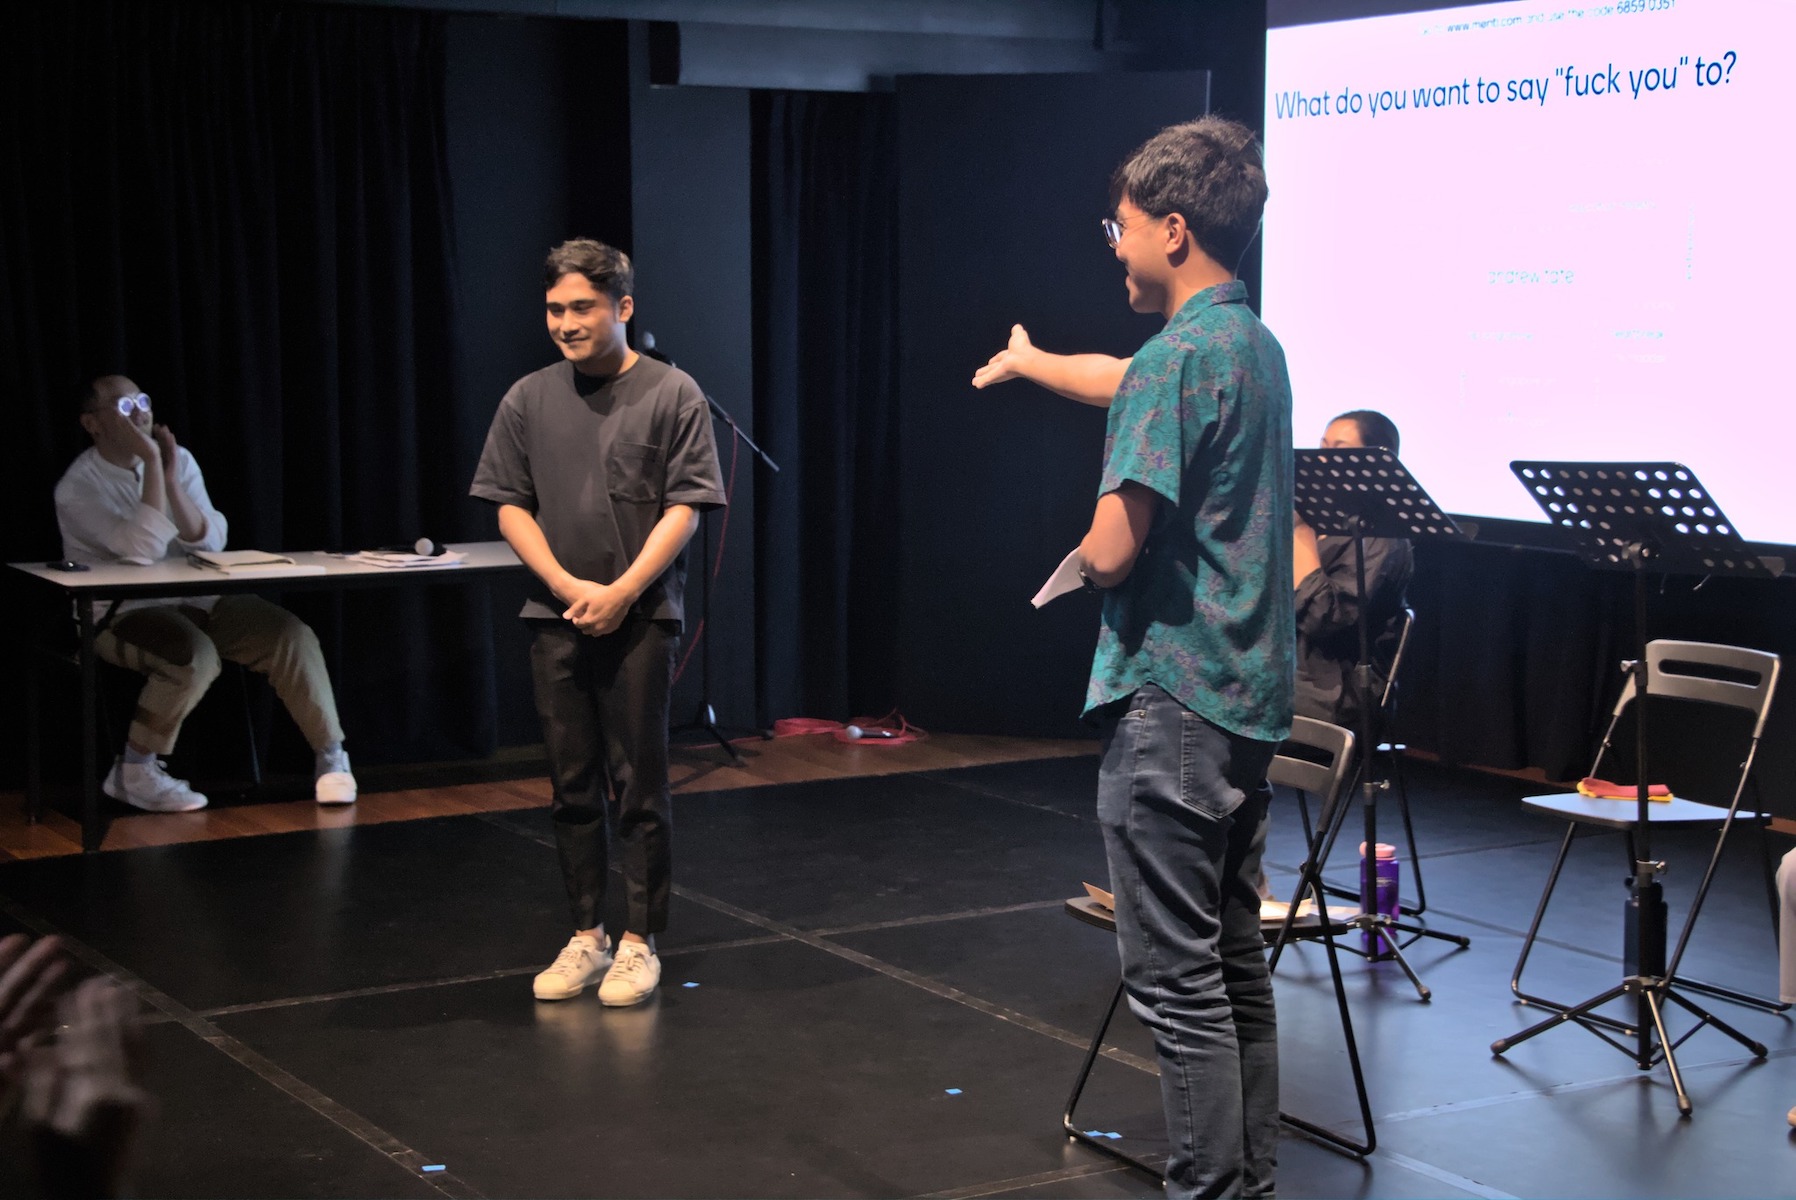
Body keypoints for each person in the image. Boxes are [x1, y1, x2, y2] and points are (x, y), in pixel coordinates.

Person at [975, 116, 1292, 1198]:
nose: (1109, 247)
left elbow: (1113, 548)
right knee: (1233, 960)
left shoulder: (1173, 360)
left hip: (1173, 699)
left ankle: (1206, 1187)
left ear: (1168, 228)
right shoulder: (1250, 345)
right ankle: (1247, 1179)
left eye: (1115, 229)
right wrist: (1030, 363)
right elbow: (1124, 377)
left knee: (1173, 979)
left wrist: (1089, 554)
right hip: (1246, 702)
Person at [471, 239, 724, 1009]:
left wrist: (621, 590)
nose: (567, 323)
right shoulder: (528, 397)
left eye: (582, 307)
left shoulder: (672, 392)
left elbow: (686, 508)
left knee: (638, 782)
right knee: (570, 783)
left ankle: (642, 940)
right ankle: (588, 933)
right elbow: (510, 503)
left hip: (640, 616)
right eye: (555, 309)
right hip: (555, 614)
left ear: (623, 307)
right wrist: (562, 583)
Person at [53, 376, 356, 812]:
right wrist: (153, 463)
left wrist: (171, 478)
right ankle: (134, 770)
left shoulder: (181, 461)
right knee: (191, 656)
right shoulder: (78, 486)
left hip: (199, 597)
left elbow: (211, 540)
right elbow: (143, 550)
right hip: (117, 612)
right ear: (93, 423)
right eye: (123, 407)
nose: (140, 413)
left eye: (143, 401)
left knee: (290, 634)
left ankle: (331, 758)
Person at [1292, 410, 1413, 735]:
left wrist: (1300, 537)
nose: (1323, 459)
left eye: (1339, 449)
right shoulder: (1317, 521)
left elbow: (1325, 619)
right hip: (1283, 672)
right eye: (1322, 447)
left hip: (1331, 689)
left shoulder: (1381, 540)